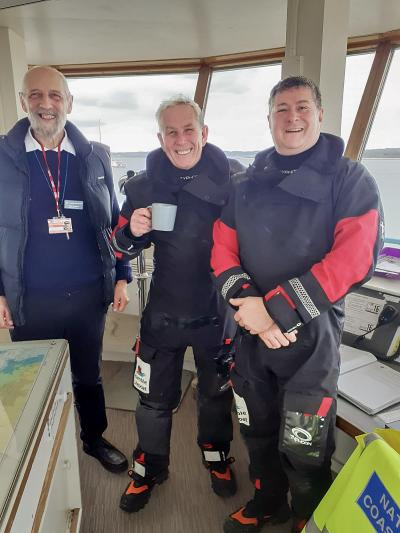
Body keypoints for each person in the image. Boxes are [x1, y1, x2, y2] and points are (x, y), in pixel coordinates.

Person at [211, 76, 384, 533]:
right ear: (268, 119)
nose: (292, 117)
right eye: (281, 109)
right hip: (251, 334)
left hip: (312, 336)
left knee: (305, 441)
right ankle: (269, 501)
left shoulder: (350, 179)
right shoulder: (244, 184)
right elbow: (221, 249)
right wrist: (249, 305)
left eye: (302, 107)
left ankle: (310, 515)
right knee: (257, 428)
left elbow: (355, 258)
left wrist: (276, 310)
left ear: (320, 115)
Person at [111, 95, 240, 513]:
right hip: (163, 316)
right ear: (160, 137)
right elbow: (117, 248)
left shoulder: (235, 180)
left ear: (203, 133)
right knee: (151, 401)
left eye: (189, 130)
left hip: (217, 316)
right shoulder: (141, 187)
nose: (181, 139)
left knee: (216, 396)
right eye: (171, 131)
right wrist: (132, 230)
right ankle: (150, 468)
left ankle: (217, 458)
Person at [0, 66, 132, 473]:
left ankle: (93, 439)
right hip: (30, 297)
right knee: (35, 378)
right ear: (23, 102)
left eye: (55, 95)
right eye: (36, 95)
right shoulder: (3, 158)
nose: (46, 104)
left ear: (69, 103)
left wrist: (122, 275)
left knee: (88, 376)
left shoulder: (94, 157)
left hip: (88, 294)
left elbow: (111, 220)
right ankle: (39, 449)